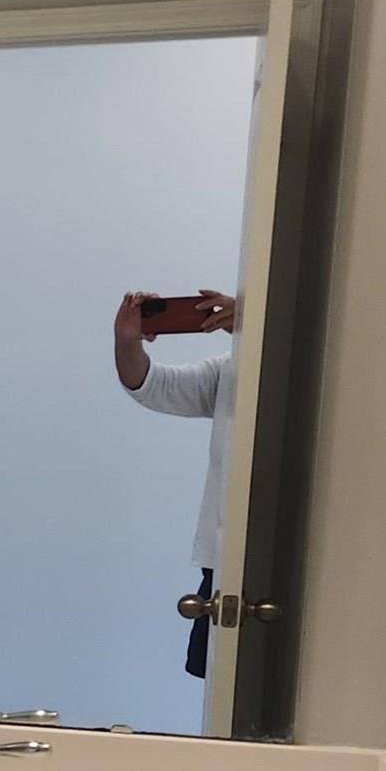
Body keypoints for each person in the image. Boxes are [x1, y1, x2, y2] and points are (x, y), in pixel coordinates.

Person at [111, 288, 239, 679]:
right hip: (223, 569)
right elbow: (150, 385)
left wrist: (256, 330)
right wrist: (126, 341)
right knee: (225, 695)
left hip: (282, 563)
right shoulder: (230, 371)